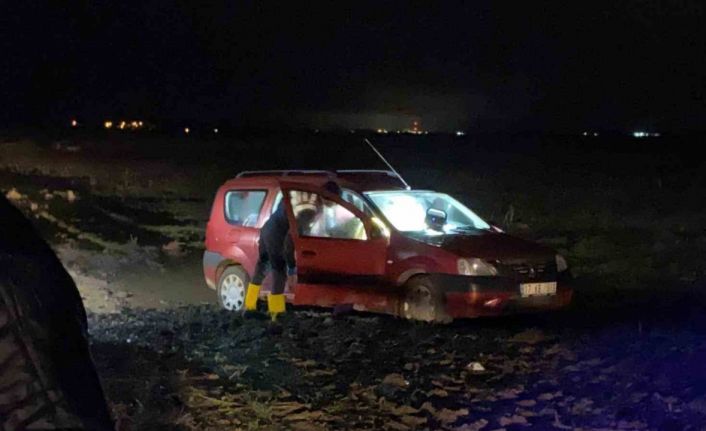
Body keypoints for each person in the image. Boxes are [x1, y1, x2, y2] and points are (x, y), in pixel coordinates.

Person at [245, 180, 342, 321]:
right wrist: (291, 267)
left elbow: (284, 207)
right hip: (278, 234)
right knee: (280, 272)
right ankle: (276, 313)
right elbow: (291, 239)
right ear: (329, 197)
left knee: (262, 266)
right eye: (336, 201)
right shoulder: (310, 209)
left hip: (268, 228)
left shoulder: (306, 195)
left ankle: (249, 306)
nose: (335, 204)